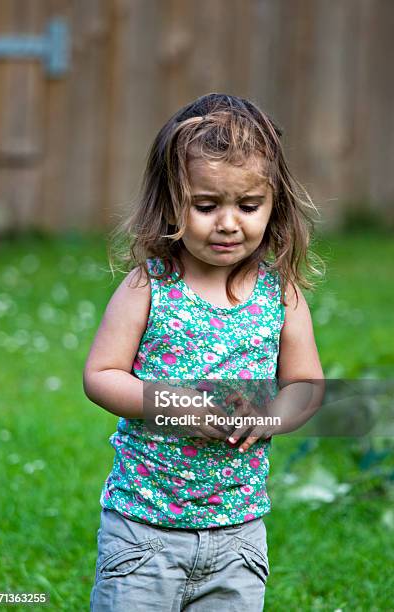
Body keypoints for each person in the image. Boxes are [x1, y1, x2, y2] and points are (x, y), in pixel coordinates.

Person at [84, 93, 324, 611]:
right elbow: (102, 375)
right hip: (143, 531)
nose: (229, 223)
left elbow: (306, 384)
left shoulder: (280, 293)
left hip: (239, 534)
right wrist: (176, 405)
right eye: (207, 206)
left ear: (274, 203)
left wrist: (276, 417)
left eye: (248, 206)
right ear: (171, 203)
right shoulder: (149, 286)